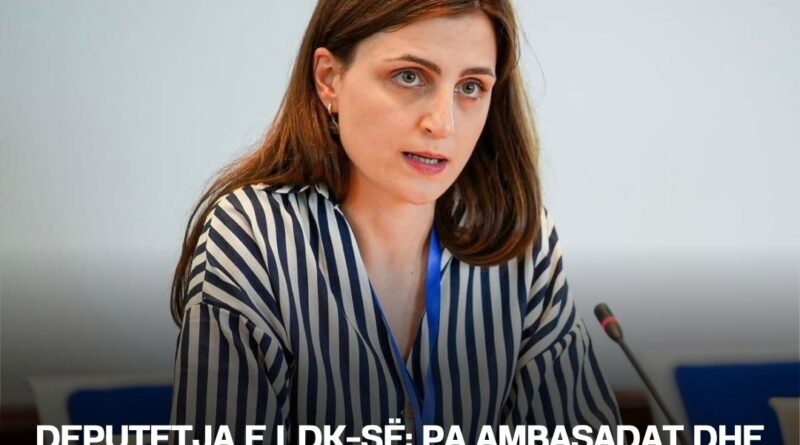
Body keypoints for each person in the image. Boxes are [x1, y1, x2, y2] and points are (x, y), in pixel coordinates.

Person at [169, 0, 620, 443]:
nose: (442, 124)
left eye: (470, 87)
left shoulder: (520, 239)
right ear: (328, 79)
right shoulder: (253, 236)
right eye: (409, 77)